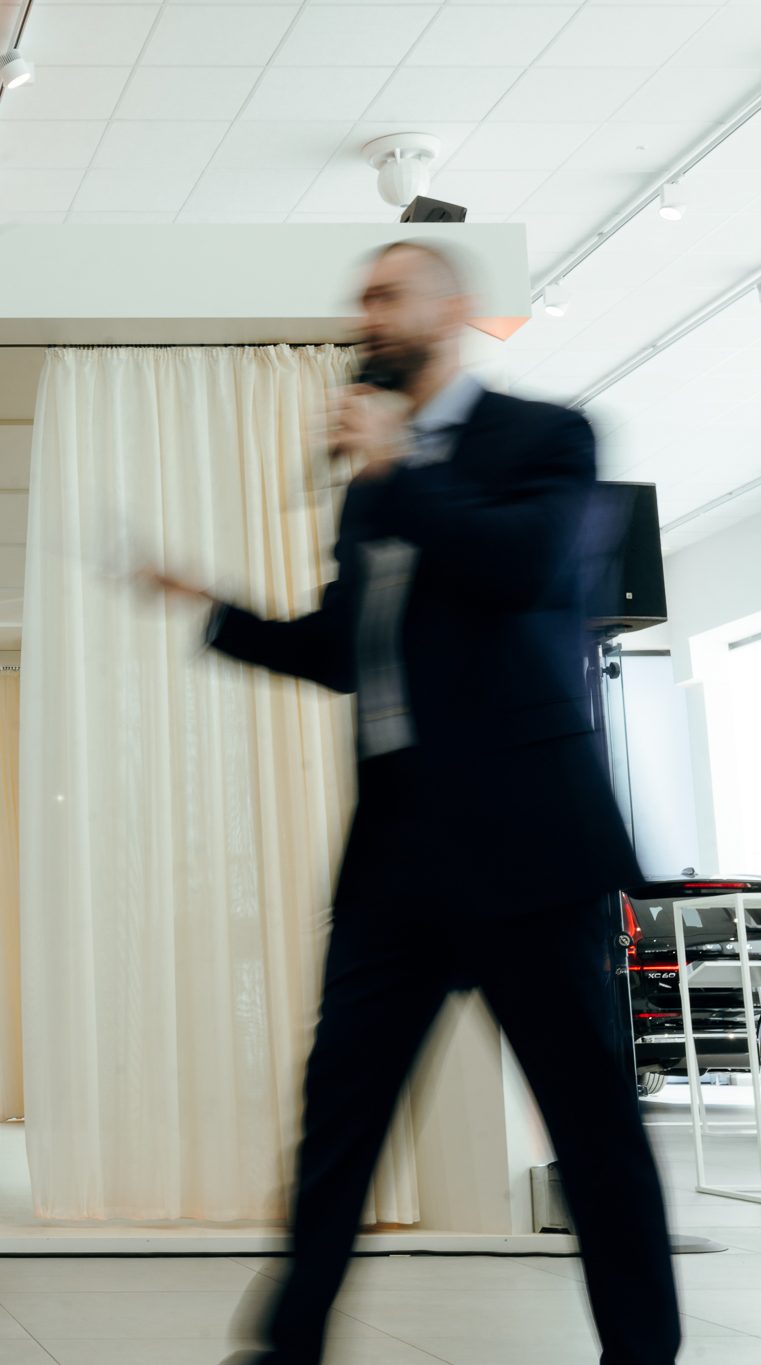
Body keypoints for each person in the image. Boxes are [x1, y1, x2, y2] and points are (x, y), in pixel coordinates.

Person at [148, 241, 679, 1365]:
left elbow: (524, 567)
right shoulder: (371, 484)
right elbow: (349, 649)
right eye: (362, 299)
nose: (367, 316)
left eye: (388, 296)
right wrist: (213, 608)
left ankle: (642, 1352)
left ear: (454, 311)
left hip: (528, 847)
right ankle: (288, 1346)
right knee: (338, 1118)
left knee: (590, 1125)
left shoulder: (545, 436)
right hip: (393, 852)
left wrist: (398, 468)